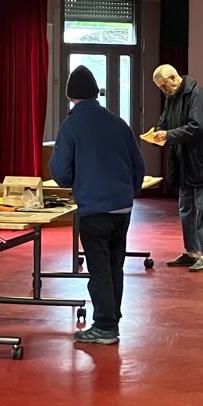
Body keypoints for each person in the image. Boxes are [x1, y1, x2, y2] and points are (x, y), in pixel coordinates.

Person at [51, 65, 148, 345]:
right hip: (122, 207)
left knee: (99, 268)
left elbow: (60, 172)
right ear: (96, 93)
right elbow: (138, 165)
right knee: (115, 264)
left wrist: (76, 182)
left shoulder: (71, 126)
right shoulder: (118, 123)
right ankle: (112, 319)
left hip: (93, 208)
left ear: (70, 96)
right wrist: (128, 192)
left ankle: (104, 326)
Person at [142, 64, 203, 272]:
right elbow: (164, 122)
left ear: (173, 77)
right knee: (186, 209)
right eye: (160, 88)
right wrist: (158, 134)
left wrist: (169, 135)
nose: (163, 91)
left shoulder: (198, 95)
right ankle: (191, 251)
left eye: (164, 86)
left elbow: (198, 127)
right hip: (184, 164)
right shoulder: (172, 97)